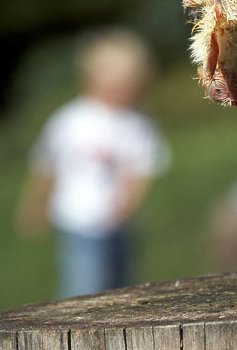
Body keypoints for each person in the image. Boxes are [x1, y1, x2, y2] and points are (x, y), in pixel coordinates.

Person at [15, 28, 170, 298]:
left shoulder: (136, 123)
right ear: (91, 78)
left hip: (118, 226)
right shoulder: (70, 120)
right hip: (78, 221)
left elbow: (142, 170)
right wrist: (35, 203)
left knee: (122, 288)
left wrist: (126, 204)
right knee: (85, 287)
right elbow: (46, 164)